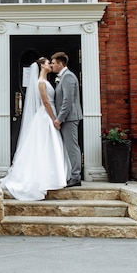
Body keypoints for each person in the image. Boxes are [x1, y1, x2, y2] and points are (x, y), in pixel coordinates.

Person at [0, 57, 70, 200]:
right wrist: (54, 119)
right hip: (46, 116)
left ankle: (56, 175)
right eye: (48, 62)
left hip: (50, 115)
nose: (50, 64)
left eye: (51, 62)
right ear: (42, 66)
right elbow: (46, 103)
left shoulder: (46, 81)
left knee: (51, 145)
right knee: (46, 145)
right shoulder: (41, 83)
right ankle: (48, 177)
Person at [51, 52, 83, 187]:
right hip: (67, 118)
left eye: (53, 63)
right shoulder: (62, 77)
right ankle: (71, 174)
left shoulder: (68, 76)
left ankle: (76, 176)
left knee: (72, 146)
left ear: (60, 63)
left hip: (70, 118)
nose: (52, 65)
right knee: (69, 146)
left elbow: (68, 100)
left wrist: (59, 119)